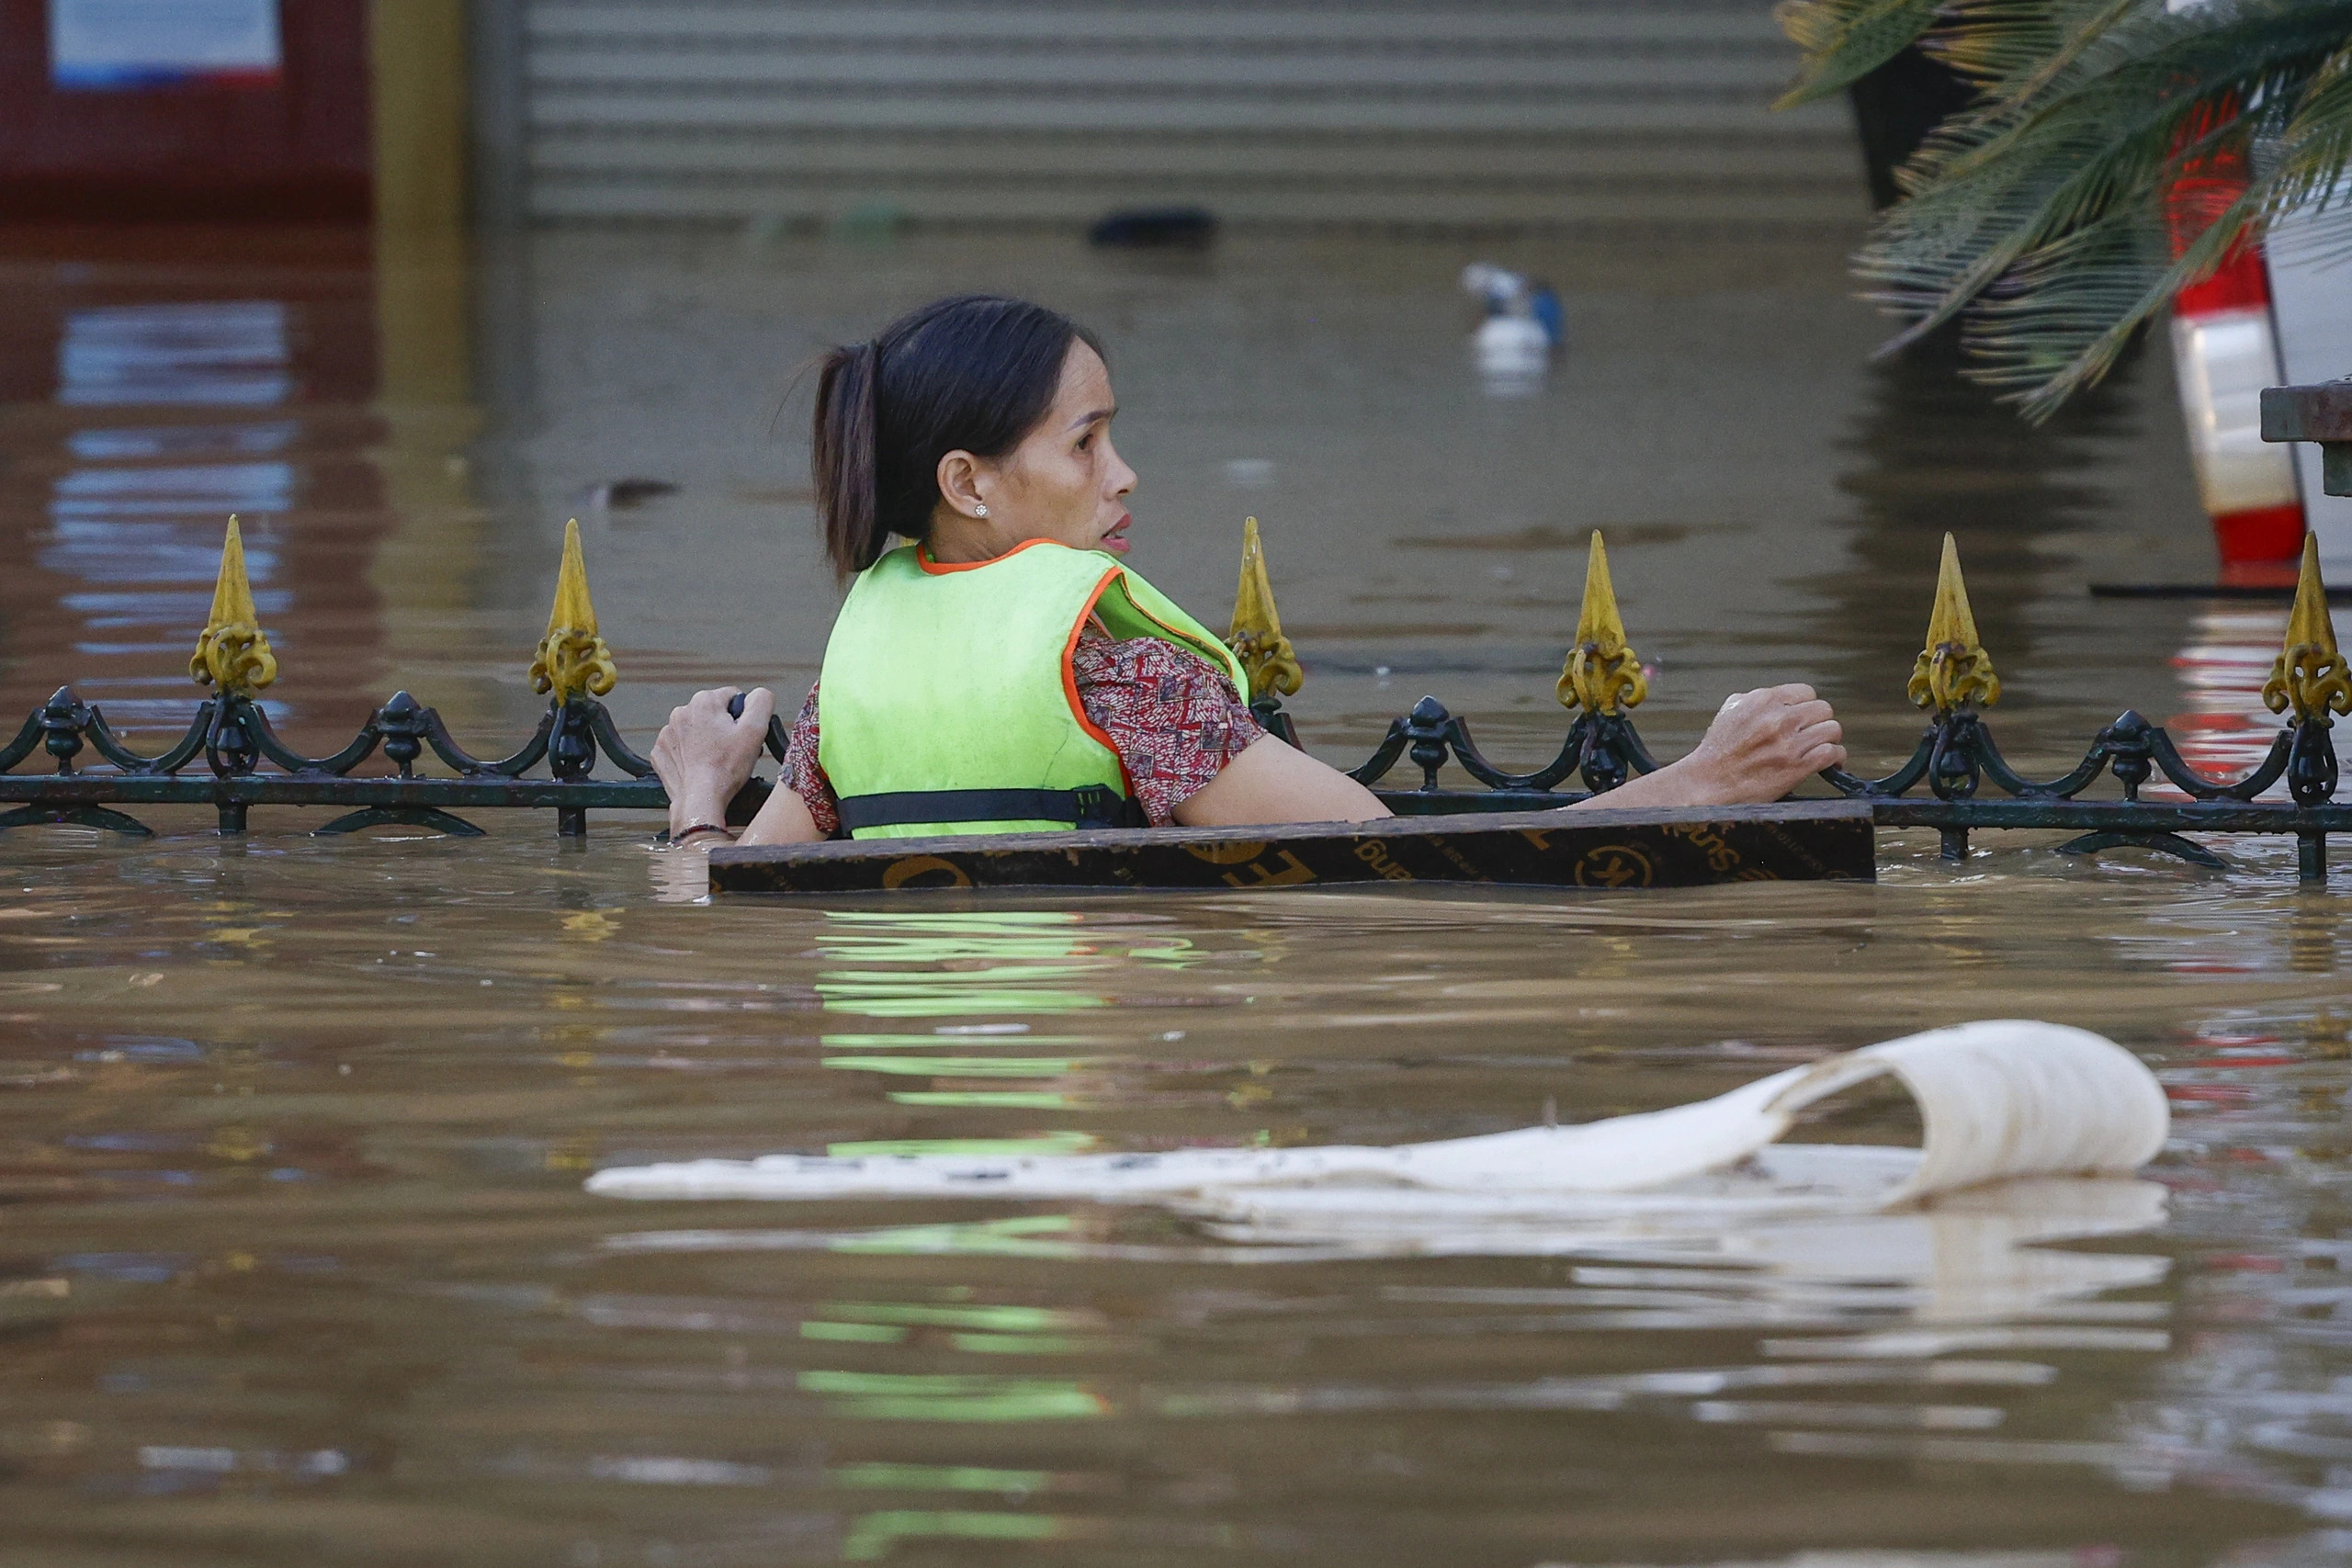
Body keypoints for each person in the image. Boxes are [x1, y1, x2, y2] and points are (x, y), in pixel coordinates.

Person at [652, 295, 1845, 849]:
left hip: (915, 1137)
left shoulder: (852, 685)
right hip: (1103, 1124)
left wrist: (701, 799)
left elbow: (723, 912)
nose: (1124, 476)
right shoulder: (1116, 675)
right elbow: (1419, 874)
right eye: (1086, 441)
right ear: (969, 483)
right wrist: (1700, 780)